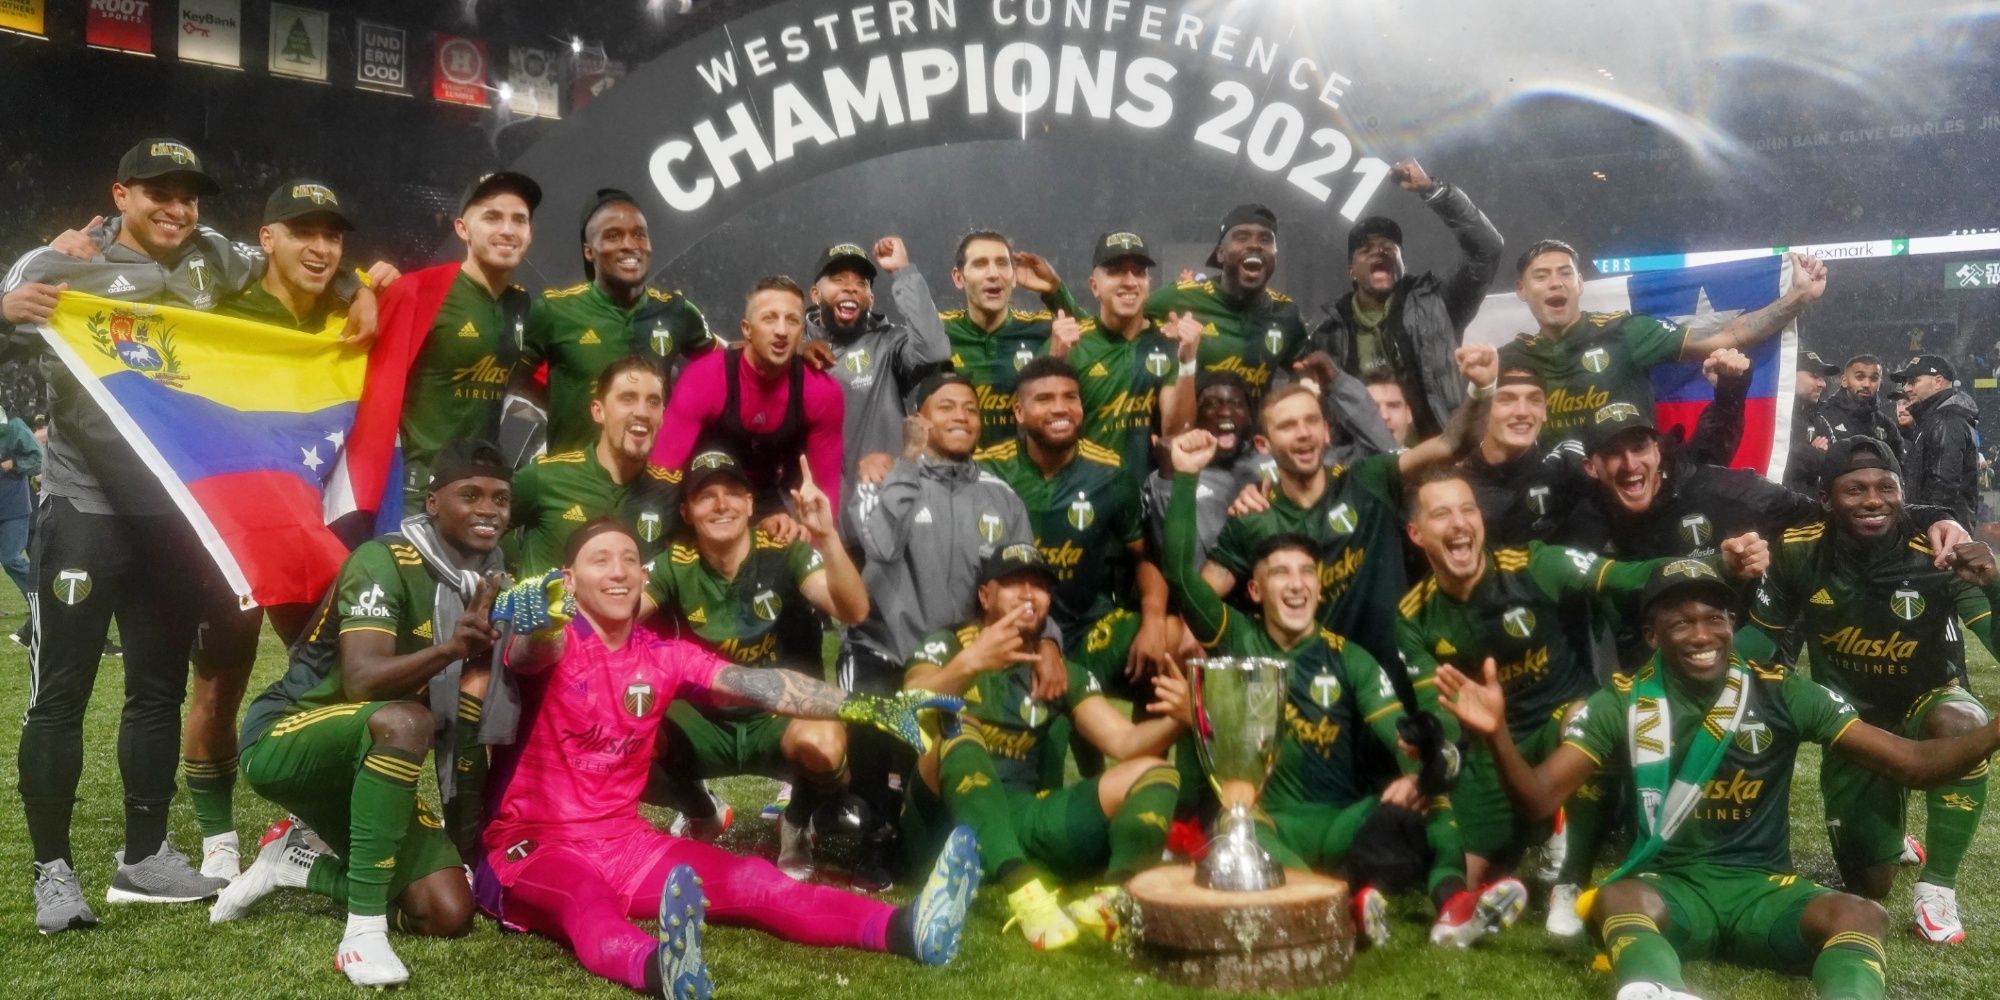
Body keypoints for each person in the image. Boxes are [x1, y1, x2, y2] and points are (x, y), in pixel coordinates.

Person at [0, 139, 374, 929]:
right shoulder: (61, 260)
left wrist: (371, 282)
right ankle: (52, 871)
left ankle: (143, 857)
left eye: (190, 197)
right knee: (62, 692)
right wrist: (3, 307)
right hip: (84, 507)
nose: (177, 210)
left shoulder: (217, 257)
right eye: (159, 194)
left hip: (172, 517)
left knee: (156, 688)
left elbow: (298, 260)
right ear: (121, 194)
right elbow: (14, 301)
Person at [1434, 558, 2000, 1000]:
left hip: (1764, 890)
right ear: (1653, 636)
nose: (1702, 633)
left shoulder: (1783, 691)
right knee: (1616, 897)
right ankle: (1653, 986)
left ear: (1733, 625)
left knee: (1861, 914)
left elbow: (1912, 763)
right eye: (1681, 622)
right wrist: (1496, 734)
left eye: (1715, 619)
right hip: (1672, 888)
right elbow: (1539, 800)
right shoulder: (1621, 704)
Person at [470, 518, 977, 998]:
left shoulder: (661, 655)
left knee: (754, 882)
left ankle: (906, 928)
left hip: (624, 841)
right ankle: (659, 967)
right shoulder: (555, 638)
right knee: (588, 901)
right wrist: (539, 622)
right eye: (600, 560)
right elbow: (529, 653)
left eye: (629, 558)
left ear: (643, 575)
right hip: (531, 845)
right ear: (570, 579)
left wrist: (874, 706)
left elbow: (763, 685)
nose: (619, 570)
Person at [1397, 467, 1768, 937]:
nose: (1459, 523)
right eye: (1441, 514)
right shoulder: (1413, 616)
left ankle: (1567, 878)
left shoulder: (1536, 564)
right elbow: (1436, 706)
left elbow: (1629, 576)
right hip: (1493, 749)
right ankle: (1459, 908)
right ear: (1416, 533)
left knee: (1583, 714)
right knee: (1464, 857)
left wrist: (1719, 565)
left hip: (1563, 730)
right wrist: (1435, 760)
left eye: (1468, 509)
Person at [1163, 429, 1490, 948]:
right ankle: (1335, 902)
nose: (1296, 585)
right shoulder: (1235, 637)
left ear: (1319, 585)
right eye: (1279, 575)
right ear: (1254, 589)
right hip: (1271, 821)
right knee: (1237, 821)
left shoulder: (1349, 657)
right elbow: (1182, 576)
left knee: (1434, 800)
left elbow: (1394, 734)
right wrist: (1184, 477)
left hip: (1342, 820)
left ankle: (1452, 905)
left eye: (1306, 574)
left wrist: (1420, 773)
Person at [209, 440, 516, 986]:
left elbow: (471, 711)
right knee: (403, 719)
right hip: (286, 737)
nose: (489, 509)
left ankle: (296, 864)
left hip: (372, 760)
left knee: (446, 912)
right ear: (433, 503)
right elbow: (363, 681)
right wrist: (451, 650)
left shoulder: (493, 581)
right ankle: (363, 933)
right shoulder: (382, 561)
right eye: (470, 495)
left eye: (500, 498)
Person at [183, 179, 382, 880]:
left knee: (332, 681)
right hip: (236, 529)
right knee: (218, 681)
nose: (321, 248)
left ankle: (307, 819)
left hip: (312, 533)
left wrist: (376, 286)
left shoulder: (354, 318)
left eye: (332, 236)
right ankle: (217, 844)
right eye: (304, 232)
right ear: (267, 238)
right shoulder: (226, 315)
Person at [1737, 437, 1994, 943]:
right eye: (1854, 489)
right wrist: (1693, 663)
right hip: (1851, 720)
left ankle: (1937, 888)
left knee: (1961, 723)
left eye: (1886, 487)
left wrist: (1997, 583)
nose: (1873, 500)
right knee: (1868, 885)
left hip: (1928, 700)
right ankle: (1889, 833)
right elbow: (1759, 640)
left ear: (1902, 493)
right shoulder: (1798, 548)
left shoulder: (1940, 552)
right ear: (1827, 499)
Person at [902, 543, 1189, 950]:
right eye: (1014, 583)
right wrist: (970, 664)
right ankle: (1022, 889)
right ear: (985, 595)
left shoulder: (1056, 668)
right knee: (958, 726)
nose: (1027, 594)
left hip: (1023, 813)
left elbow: (1125, 743)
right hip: (943, 823)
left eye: (1038, 586)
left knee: (1155, 772)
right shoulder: (947, 644)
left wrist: (1180, 718)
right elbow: (909, 700)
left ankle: (1117, 898)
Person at [841, 371, 1048, 887]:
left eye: (971, 409)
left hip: (959, 658)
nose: (961, 416)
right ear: (919, 420)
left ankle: (1006, 827)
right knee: (876, 726)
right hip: (888, 651)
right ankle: (874, 835)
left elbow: (1026, 585)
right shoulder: (882, 477)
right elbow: (882, 546)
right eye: (946, 407)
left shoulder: (1002, 497)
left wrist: (1052, 643)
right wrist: (907, 461)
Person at [1200, 344, 1498, 682]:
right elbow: (1200, 602)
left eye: (1311, 420)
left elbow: (1452, 444)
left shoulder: (1370, 478)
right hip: (1314, 699)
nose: (1303, 432)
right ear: (1263, 445)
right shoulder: (1253, 517)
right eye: (1286, 426)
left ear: (1326, 431)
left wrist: (1482, 388)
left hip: (1395, 682)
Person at [637, 450, 867, 879]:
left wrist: (828, 536)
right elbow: (623, 612)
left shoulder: (784, 552)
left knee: (827, 743)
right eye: (706, 496)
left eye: (732, 493)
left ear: (748, 504)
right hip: (703, 721)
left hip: (775, 715)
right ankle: (703, 811)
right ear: (686, 511)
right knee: (629, 738)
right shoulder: (676, 563)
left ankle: (796, 821)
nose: (721, 504)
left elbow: (852, 609)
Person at [1502, 241, 1828, 449]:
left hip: (1626, 493)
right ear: (1521, 289)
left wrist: (1797, 298)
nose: (1556, 282)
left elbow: (1729, 338)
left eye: (1565, 273)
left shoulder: (1627, 332)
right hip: (1550, 505)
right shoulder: (1509, 360)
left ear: (1580, 283)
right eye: (1542, 276)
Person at [1309, 159, 1505, 439]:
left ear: (1404, 264)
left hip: (1439, 459)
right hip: (1364, 468)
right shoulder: (1327, 332)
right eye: (1365, 249)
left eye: (1389, 247)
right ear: (1351, 270)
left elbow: (1487, 249)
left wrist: (1433, 190)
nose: (1379, 251)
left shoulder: (1439, 304)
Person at [515, 188, 717, 456]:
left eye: (638, 234)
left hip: (648, 484)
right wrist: (558, 405)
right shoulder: (555, 310)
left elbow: (727, 366)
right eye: (613, 236)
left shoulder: (675, 311)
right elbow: (509, 380)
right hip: (571, 485)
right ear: (589, 251)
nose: (629, 244)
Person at [651, 275, 845, 543]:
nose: (781, 330)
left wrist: (815, 548)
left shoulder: (821, 391)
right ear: (747, 329)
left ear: (802, 330)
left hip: (765, 503)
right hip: (701, 499)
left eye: (792, 320)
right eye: (769, 318)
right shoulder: (705, 378)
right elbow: (662, 471)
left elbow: (825, 495)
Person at [393, 172, 538, 505]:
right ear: (462, 229)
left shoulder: (521, 305)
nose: (507, 230)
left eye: (519, 220)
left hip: (482, 489)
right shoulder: (419, 292)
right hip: (417, 491)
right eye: (492, 217)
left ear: (530, 233)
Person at [804, 238, 950, 522]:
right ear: (815, 294)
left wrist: (903, 273)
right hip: (818, 518)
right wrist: (795, 352)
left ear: (870, 299)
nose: (851, 287)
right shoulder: (792, 351)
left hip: (886, 510)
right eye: (838, 279)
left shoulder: (889, 345)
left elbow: (934, 350)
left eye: (862, 283)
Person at [509, 354, 675, 576]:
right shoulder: (545, 477)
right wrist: (509, 584)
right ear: (599, 411)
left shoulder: (670, 492)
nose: (642, 412)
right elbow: (480, 524)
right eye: (628, 398)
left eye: (653, 402)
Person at [1050, 231, 1200, 474]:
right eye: (1116, 270)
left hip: (1150, 492)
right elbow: (1037, 432)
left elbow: (1176, 433)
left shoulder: (1169, 342)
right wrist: (1055, 363)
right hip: (1085, 491)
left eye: (1139, 272)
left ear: (1148, 283)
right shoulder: (1071, 343)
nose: (1130, 281)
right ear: (1094, 286)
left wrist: (1187, 363)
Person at [1144, 204, 1310, 406]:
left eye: (1265, 239)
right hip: (1193, 435)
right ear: (1220, 253)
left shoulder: (1286, 313)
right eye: (1242, 237)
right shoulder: (1177, 298)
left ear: (1275, 255)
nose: (1255, 245)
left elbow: (1308, 375)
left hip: (1254, 436)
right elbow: (1123, 331)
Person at [940, 230, 1077, 447]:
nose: (993, 273)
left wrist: (1055, 291)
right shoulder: (938, 331)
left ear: (1013, 277)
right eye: (980, 264)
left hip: (1022, 474)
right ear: (958, 278)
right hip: (957, 475)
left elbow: (1102, 338)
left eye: (1003, 263)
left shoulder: (1041, 329)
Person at [1894, 355, 1980, 527]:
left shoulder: (1946, 420)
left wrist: (1928, 524)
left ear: (1938, 381)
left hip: (1938, 531)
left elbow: (1942, 486)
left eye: (1913, 381)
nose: (1907, 388)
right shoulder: (1935, 419)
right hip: (1943, 526)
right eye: (1905, 383)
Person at [1810, 354, 1900, 453]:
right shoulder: (1821, 416)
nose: (1867, 384)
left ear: (1880, 384)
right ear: (1844, 381)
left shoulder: (1886, 425)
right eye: (1859, 377)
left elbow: (1900, 466)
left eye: (1874, 379)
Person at [0, 403, 39, 614]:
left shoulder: (14, 427)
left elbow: (38, 458)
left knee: (11, 559)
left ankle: (39, 599)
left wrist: (14, 464)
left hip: (13, 507)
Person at [1784, 350, 1841, 493]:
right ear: (1791, 374)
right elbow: (1778, 460)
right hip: (1774, 506)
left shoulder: (1819, 420)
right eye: (1815, 376)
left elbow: (1836, 463)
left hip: (1810, 507)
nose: (1822, 384)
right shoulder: (1774, 415)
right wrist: (1814, 454)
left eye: (1823, 378)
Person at [1364, 366, 1416, 447]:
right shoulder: (1339, 459)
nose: (1384, 416)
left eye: (1393, 406)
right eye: (1373, 407)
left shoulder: (1432, 459)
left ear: (1408, 414)